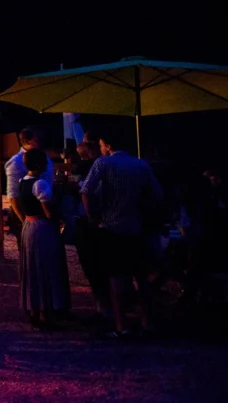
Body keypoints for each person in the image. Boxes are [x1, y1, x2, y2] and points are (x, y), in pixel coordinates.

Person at [81, 131, 163, 337]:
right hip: (136, 227)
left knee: (117, 278)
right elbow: (157, 194)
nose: (100, 148)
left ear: (108, 146)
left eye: (100, 144)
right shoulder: (141, 165)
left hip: (112, 228)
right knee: (141, 277)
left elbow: (86, 190)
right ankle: (148, 322)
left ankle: (122, 326)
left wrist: (93, 216)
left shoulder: (103, 164)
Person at [17, 149, 70, 328]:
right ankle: (45, 311)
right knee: (45, 266)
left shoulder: (22, 182)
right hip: (41, 227)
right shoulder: (40, 184)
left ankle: (33, 309)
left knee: (32, 267)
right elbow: (49, 213)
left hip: (28, 226)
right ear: (39, 164)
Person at [6, 127, 54, 238]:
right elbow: (13, 194)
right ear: (27, 141)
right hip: (29, 214)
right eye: (37, 140)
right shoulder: (16, 162)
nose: (41, 143)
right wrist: (24, 220)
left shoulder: (44, 157)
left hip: (45, 210)